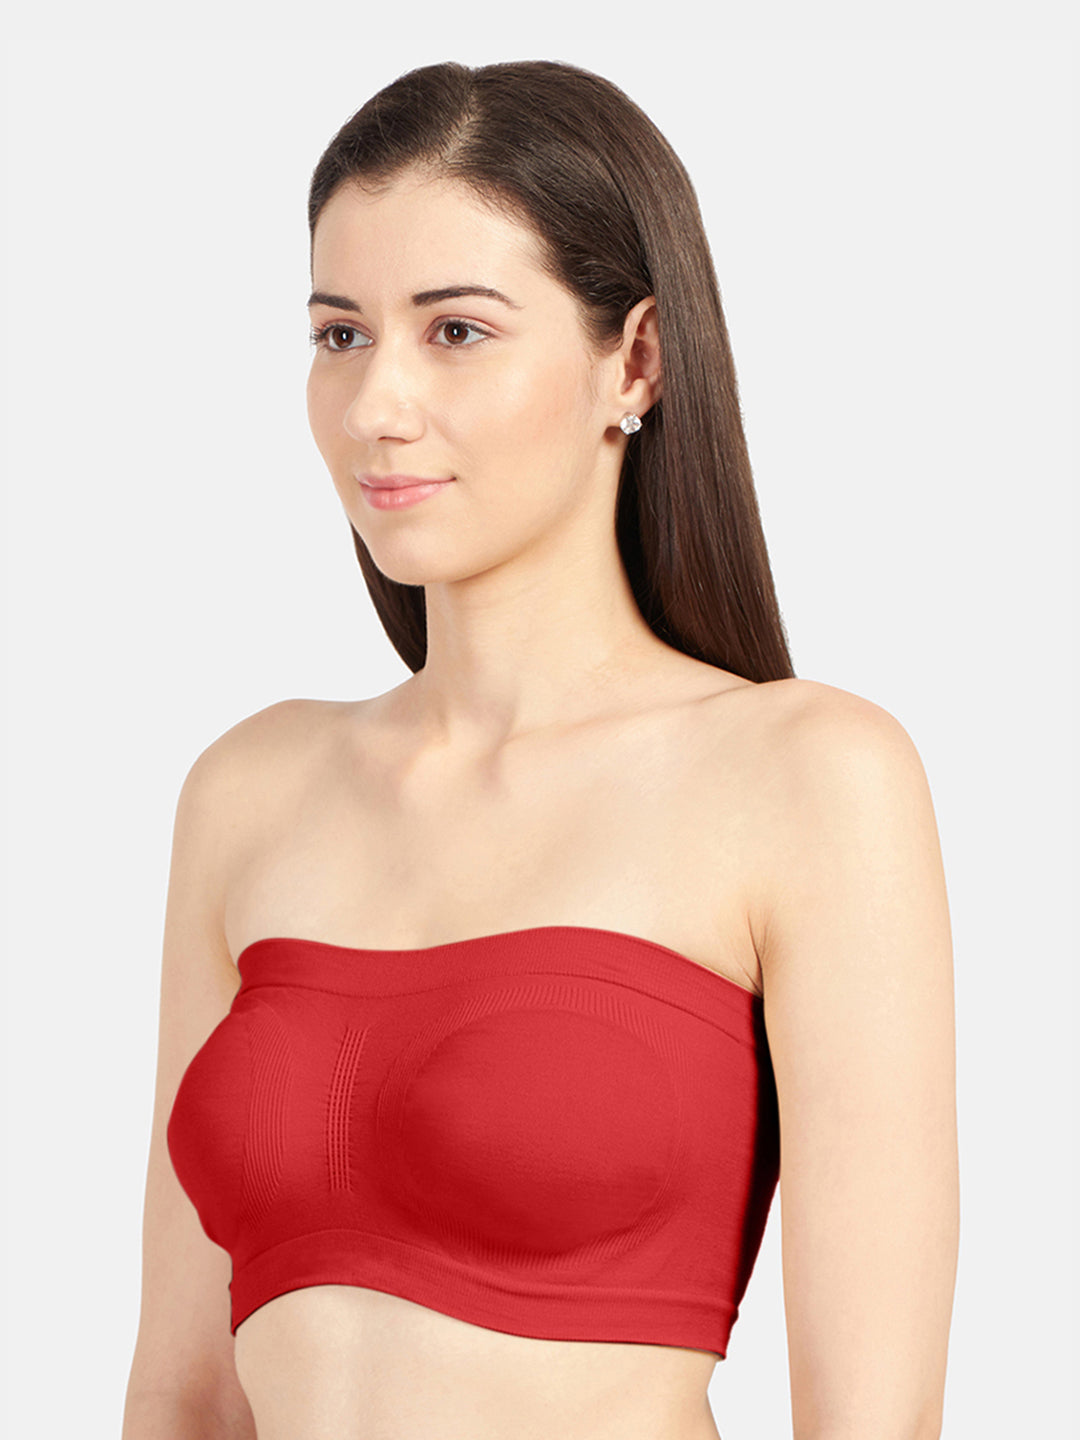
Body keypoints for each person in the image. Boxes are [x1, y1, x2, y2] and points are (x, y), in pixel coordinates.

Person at [121, 59, 959, 1440]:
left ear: (635, 360)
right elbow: (181, 1390)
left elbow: (873, 1417)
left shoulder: (806, 777)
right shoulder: (250, 789)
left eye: (455, 330)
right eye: (341, 334)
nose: (376, 404)